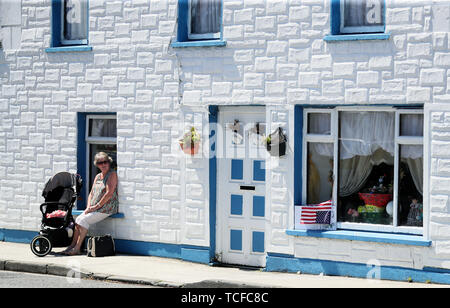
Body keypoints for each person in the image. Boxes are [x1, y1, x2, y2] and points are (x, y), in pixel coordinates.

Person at [61, 152, 119, 256]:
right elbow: (91, 193)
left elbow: (109, 193)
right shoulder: (98, 176)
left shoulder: (112, 175)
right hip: (94, 208)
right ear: (97, 164)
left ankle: (77, 248)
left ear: (109, 162)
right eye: (100, 163)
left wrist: (95, 207)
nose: (103, 165)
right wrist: (88, 207)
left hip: (106, 208)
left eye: (105, 162)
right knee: (78, 219)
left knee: (83, 220)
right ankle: (71, 246)